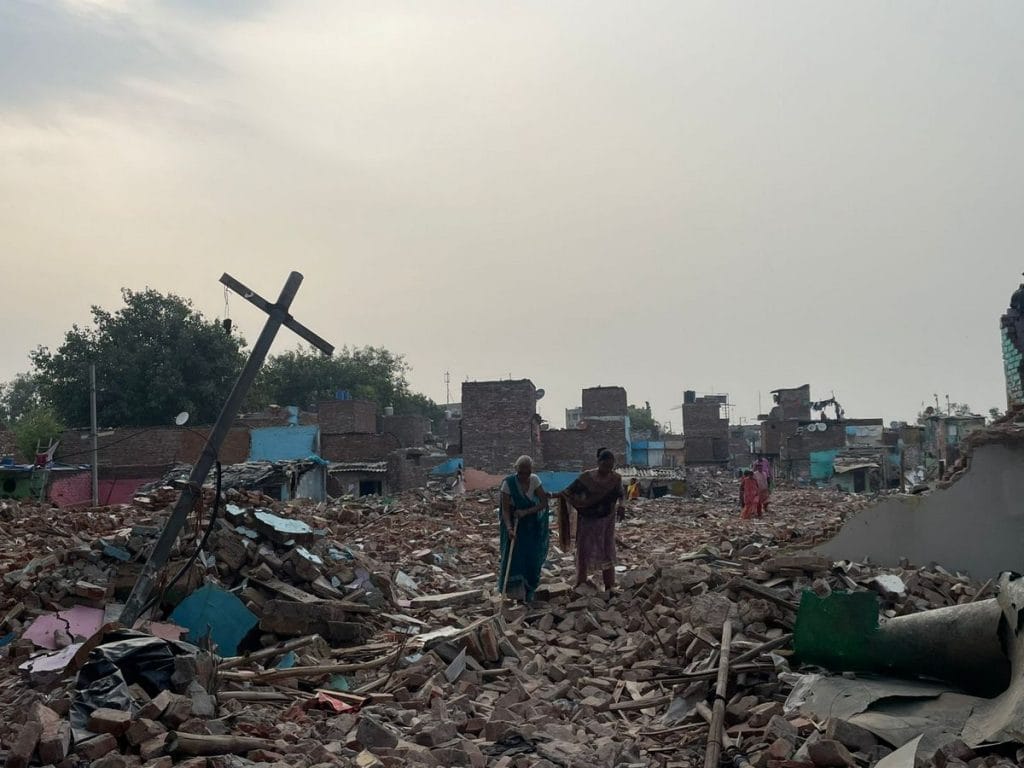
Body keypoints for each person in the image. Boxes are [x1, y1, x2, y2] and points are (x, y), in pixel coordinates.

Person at [559, 448, 626, 596]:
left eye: (610, 466)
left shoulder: (616, 478)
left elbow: (621, 494)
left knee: (607, 549)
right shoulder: (586, 477)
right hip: (588, 520)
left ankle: (609, 585)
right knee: (584, 549)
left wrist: (622, 506)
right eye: (605, 466)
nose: (607, 469)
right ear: (598, 463)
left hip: (606, 521)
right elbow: (569, 492)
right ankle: (580, 582)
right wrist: (555, 496)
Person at [497, 455, 550, 603]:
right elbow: (505, 510)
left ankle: (529, 592)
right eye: (521, 473)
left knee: (531, 558)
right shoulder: (508, 484)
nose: (524, 476)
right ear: (516, 470)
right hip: (514, 525)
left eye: (527, 473)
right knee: (514, 559)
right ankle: (517, 597)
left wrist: (526, 512)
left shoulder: (534, 480)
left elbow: (543, 503)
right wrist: (509, 528)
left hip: (530, 526)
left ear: (531, 471)